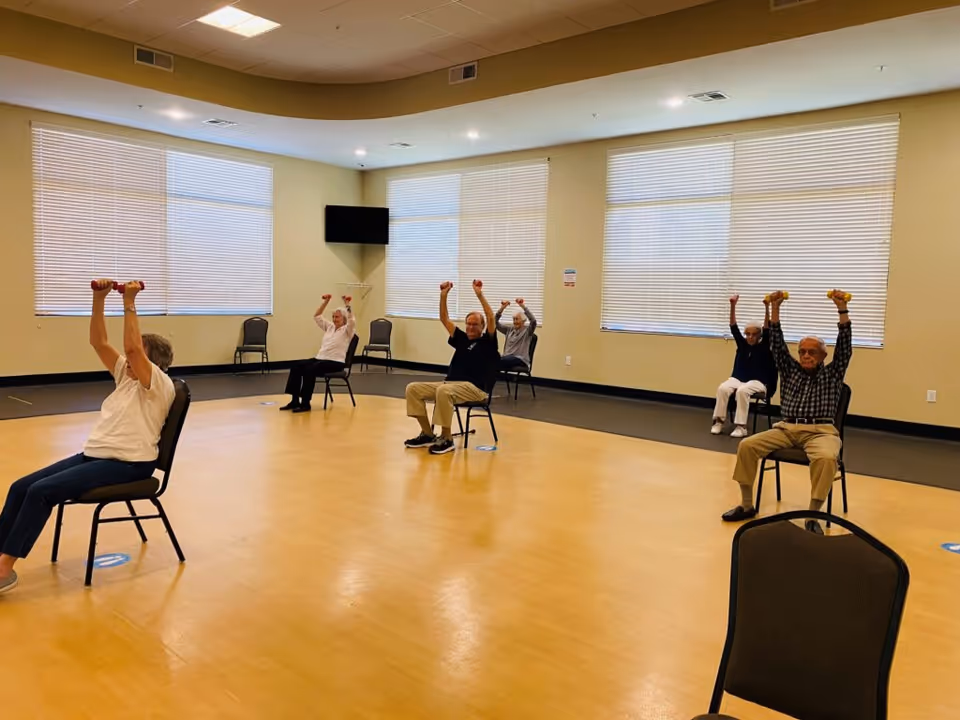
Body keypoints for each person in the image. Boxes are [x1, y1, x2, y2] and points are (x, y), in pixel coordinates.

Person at [0, 280, 175, 595]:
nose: (128, 359)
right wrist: (98, 299)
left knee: (41, 492)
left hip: (129, 464)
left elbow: (133, 349)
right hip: (95, 456)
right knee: (20, 487)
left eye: (137, 357)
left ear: (154, 363)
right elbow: (99, 342)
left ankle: (5, 568)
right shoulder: (126, 378)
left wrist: (129, 302)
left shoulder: (159, 384)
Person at [721, 290, 853, 535]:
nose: (806, 355)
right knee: (747, 446)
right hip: (786, 429)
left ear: (823, 355)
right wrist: (775, 308)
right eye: (802, 351)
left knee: (826, 459)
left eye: (812, 352)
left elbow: (845, 346)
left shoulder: (832, 374)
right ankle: (747, 505)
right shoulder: (790, 370)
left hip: (821, 432)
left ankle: (813, 515)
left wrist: (842, 309)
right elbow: (777, 343)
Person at [404, 280, 500, 455]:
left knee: (444, 391)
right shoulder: (462, 339)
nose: (470, 327)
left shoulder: (488, 342)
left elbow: (491, 317)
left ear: (482, 327)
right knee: (413, 389)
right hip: (450, 385)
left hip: (475, 389)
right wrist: (443, 295)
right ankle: (427, 434)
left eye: (475, 324)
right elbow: (444, 318)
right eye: (468, 323)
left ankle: (447, 438)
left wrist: (479, 295)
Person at [711, 295, 774, 438]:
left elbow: (767, 327)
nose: (750, 337)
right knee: (723, 388)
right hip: (738, 379)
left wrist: (767, 307)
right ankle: (719, 421)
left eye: (754, 334)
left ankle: (741, 426)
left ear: (759, 335)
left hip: (758, 382)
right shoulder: (742, 345)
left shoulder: (764, 345)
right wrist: (733, 305)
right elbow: (733, 327)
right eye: (748, 334)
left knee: (742, 391)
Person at [281, 294, 355, 413]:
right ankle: (295, 401)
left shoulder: (348, 330)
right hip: (320, 359)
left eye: (337, 317)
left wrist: (347, 304)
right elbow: (317, 316)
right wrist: (326, 301)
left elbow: (352, 320)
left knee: (310, 369)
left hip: (336, 362)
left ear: (344, 318)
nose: (334, 319)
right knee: (296, 366)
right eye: (333, 317)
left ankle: (305, 403)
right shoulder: (330, 327)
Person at [496, 298, 538, 372]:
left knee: (496, 361)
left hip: (520, 359)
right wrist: (502, 308)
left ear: (523, 321)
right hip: (506, 358)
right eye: (514, 319)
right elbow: (494, 323)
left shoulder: (527, 331)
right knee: (493, 361)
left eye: (517, 319)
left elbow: (533, 321)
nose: (515, 322)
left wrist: (522, 306)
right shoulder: (509, 330)